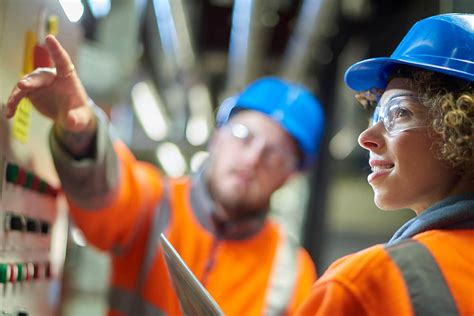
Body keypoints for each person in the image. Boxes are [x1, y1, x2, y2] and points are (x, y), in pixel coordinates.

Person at [5, 35, 325, 315]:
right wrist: (83, 132)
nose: (253, 159)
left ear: (291, 177)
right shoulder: (155, 202)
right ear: (218, 135)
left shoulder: (292, 273)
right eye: (244, 135)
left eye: (276, 154)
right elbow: (108, 191)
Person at [296, 13, 473, 316]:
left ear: (463, 126)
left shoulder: (366, 284)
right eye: (377, 115)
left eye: (400, 113)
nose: (366, 137)